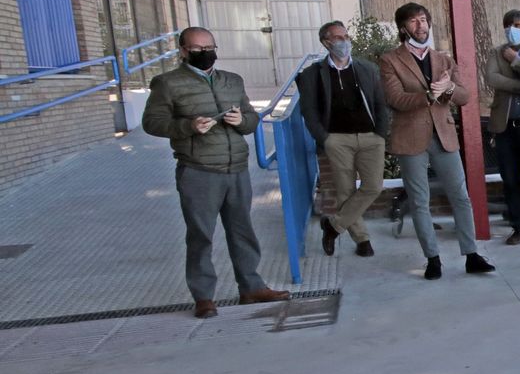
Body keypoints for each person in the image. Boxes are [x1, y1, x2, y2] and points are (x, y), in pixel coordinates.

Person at [143, 27, 291, 317]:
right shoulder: (167, 84)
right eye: (198, 49)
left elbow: (251, 119)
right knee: (201, 235)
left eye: (209, 47)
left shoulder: (232, 81)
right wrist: (187, 127)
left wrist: (242, 120)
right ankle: (204, 296)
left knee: (242, 231)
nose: (206, 53)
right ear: (183, 51)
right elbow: (152, 122)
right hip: (199, 170)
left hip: (236, 168)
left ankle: (251, 287)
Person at [378, 3, 496, 280]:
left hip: (443, 135)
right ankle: (433, 259)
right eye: (414, 22)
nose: (421, 26)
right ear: (403, 28)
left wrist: (450, 88)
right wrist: (431, 94)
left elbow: (465, 96)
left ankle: (471, 255)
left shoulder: (443, 59)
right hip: (410, 137)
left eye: (424, 20)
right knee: (420, 201)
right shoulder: (390, 60)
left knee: (461, 196)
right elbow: (395, 99)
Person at [299, 20, 391, 259]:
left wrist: (381, 132)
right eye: (338, 38)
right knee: (345, 190)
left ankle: (333, 226)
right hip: (336, 139)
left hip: (371, 137)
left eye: (346, 36)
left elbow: (380, 103)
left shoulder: (367, 68)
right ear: (326, 42)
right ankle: (362, 239)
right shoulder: (312, 75)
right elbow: (308, 111)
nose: (344, 41)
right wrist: (324, 138)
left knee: (373, 186)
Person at [486, 8, 520, 245]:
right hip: (506, 126)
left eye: (517, 25)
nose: (512, 30)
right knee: (510, 179)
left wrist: (515, 61)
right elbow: (492, 79)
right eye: (508, 25)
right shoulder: (495, 52)